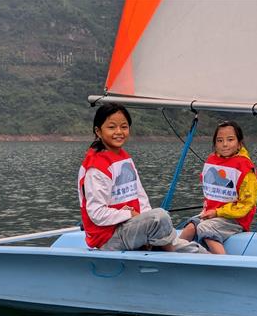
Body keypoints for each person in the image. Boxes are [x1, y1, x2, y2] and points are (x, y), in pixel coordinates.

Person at [78, 102, 205, 253]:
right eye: (111, 127)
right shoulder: (96, 167)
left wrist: (145, 222)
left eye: (124, 127)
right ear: (98, 131)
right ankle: (169, 253)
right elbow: (96, 213)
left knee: (194, 249)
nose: (119, 132)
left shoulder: (123, 157)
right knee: (160, 217)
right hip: (109, 238)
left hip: (130, 229)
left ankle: (210, 262)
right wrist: (130, 214)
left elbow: (140, 197)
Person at [179, 121, 257, 254]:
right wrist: (212, 212)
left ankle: (224, 262)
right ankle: (172, 256)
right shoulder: (212, 160)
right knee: (190, 227)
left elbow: (247, 204)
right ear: (215, 143)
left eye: (230, 139)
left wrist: (217, 212)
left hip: (234, 220)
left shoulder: (245, 168)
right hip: (211, 214)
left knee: (205, 228)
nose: (225, 144)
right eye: (220, 140)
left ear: (239, 142)